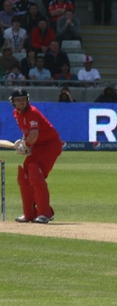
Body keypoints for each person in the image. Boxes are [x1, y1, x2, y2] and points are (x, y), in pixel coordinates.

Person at [9, 88, 64, 224]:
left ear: (27, 100)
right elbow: (28, 133)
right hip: (39, 145)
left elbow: (33, 136)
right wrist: (23, 141)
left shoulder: (32, 112)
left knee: (35, 171)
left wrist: (26, 146)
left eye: (23, 100)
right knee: (26, 170)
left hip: (51, 144)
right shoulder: (17, 114)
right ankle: (29, 213)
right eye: (18, 100)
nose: (21, 103)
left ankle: (45, 213)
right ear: (13, 102)